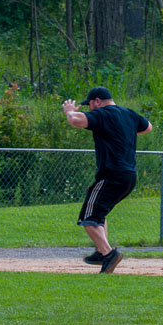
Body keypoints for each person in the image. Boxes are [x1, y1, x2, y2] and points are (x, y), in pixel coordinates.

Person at [62, 86, 153, 274]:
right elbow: (148, 127)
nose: (91, 109)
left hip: (111, 174)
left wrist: (70, 111)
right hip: (129, 176)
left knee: (88, 218)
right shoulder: (129, 114)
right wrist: (122, 132)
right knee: (99, 213)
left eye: (91, 105)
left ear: (97, 101)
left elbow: (75, 120)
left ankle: (108, 253)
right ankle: (100, 252)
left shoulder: (103, 114)